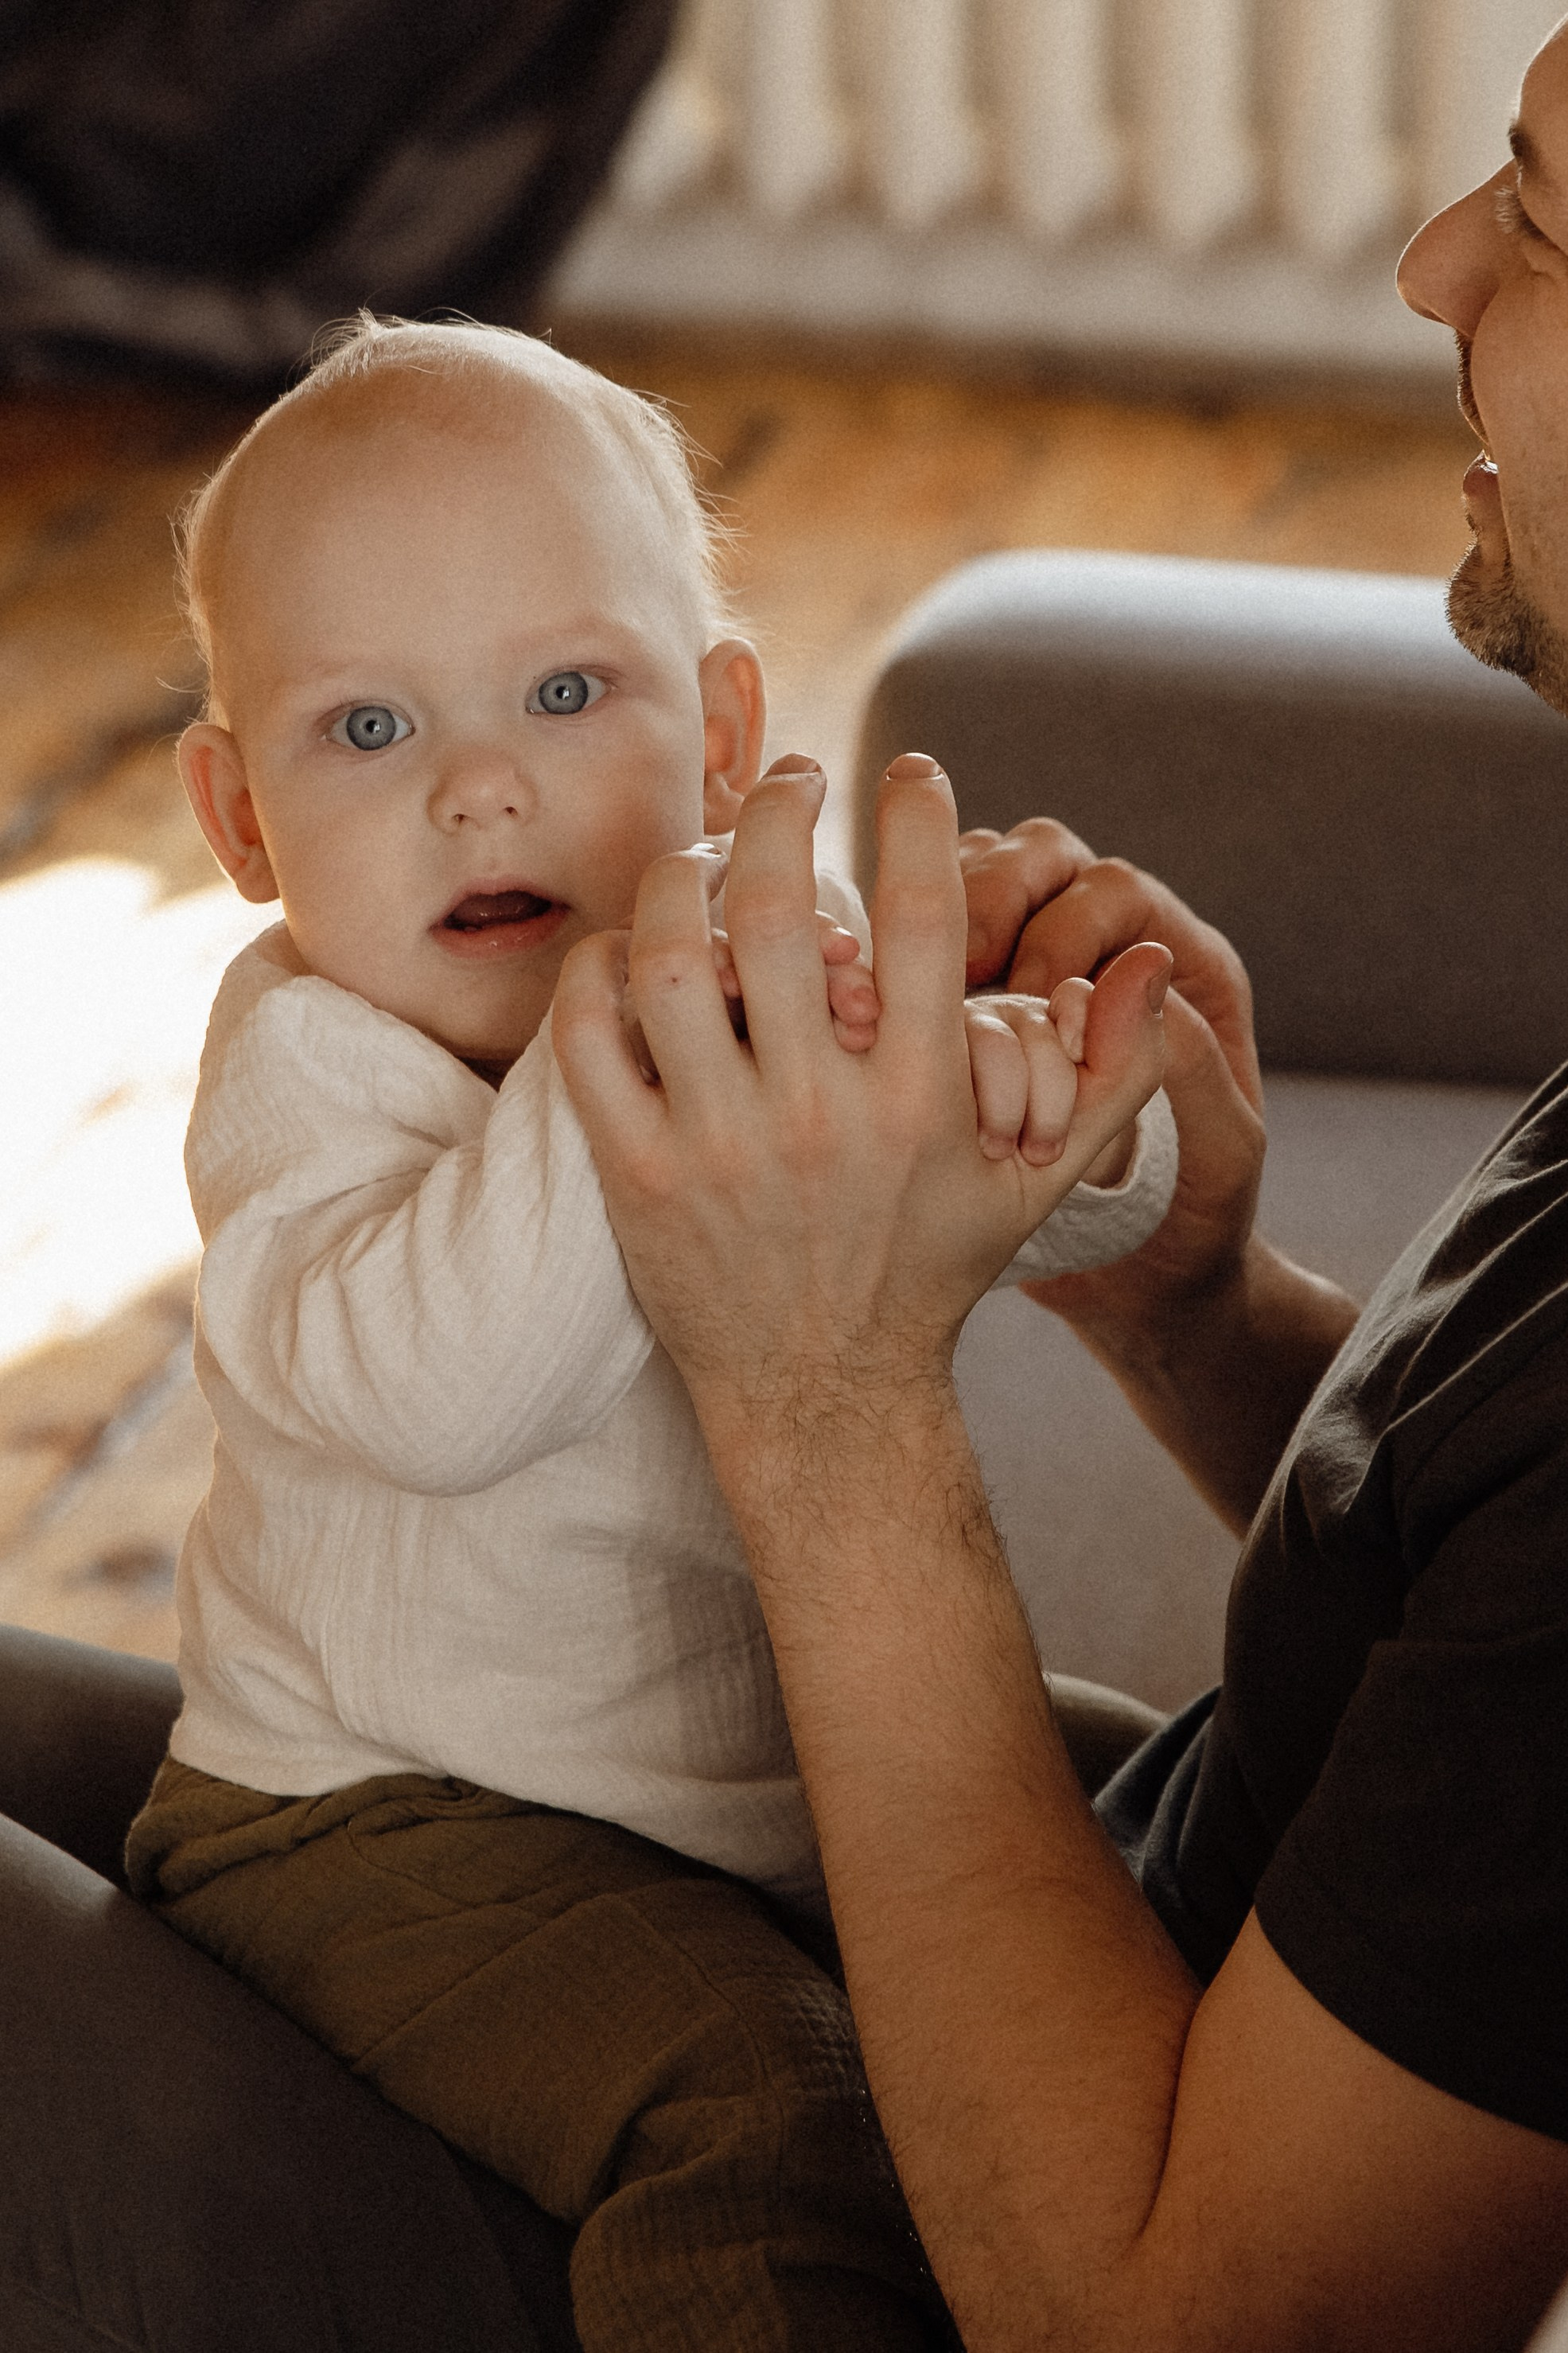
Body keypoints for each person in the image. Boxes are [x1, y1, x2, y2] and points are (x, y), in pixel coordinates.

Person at [548, 21, 1568, 2353]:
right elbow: (1496, 1650)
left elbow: (1183, 2322)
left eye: (1528, 219)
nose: (1425, 268)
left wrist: (817, 1387)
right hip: (1078, 1956)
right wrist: (1192, 1305)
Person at [123, 314, 1177, 2353]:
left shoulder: (746, 969)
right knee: (769, 2111)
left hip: (742, 1775)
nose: (480, 787)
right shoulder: (307, 1072)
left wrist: (1073, 1091)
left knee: (1146, 1789)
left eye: (563, 690)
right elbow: (443, 1396)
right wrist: (629, 1037)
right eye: (365, 733)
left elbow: (1019, 1209)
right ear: (238, 821)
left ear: (716, 738)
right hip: (391, 1818)